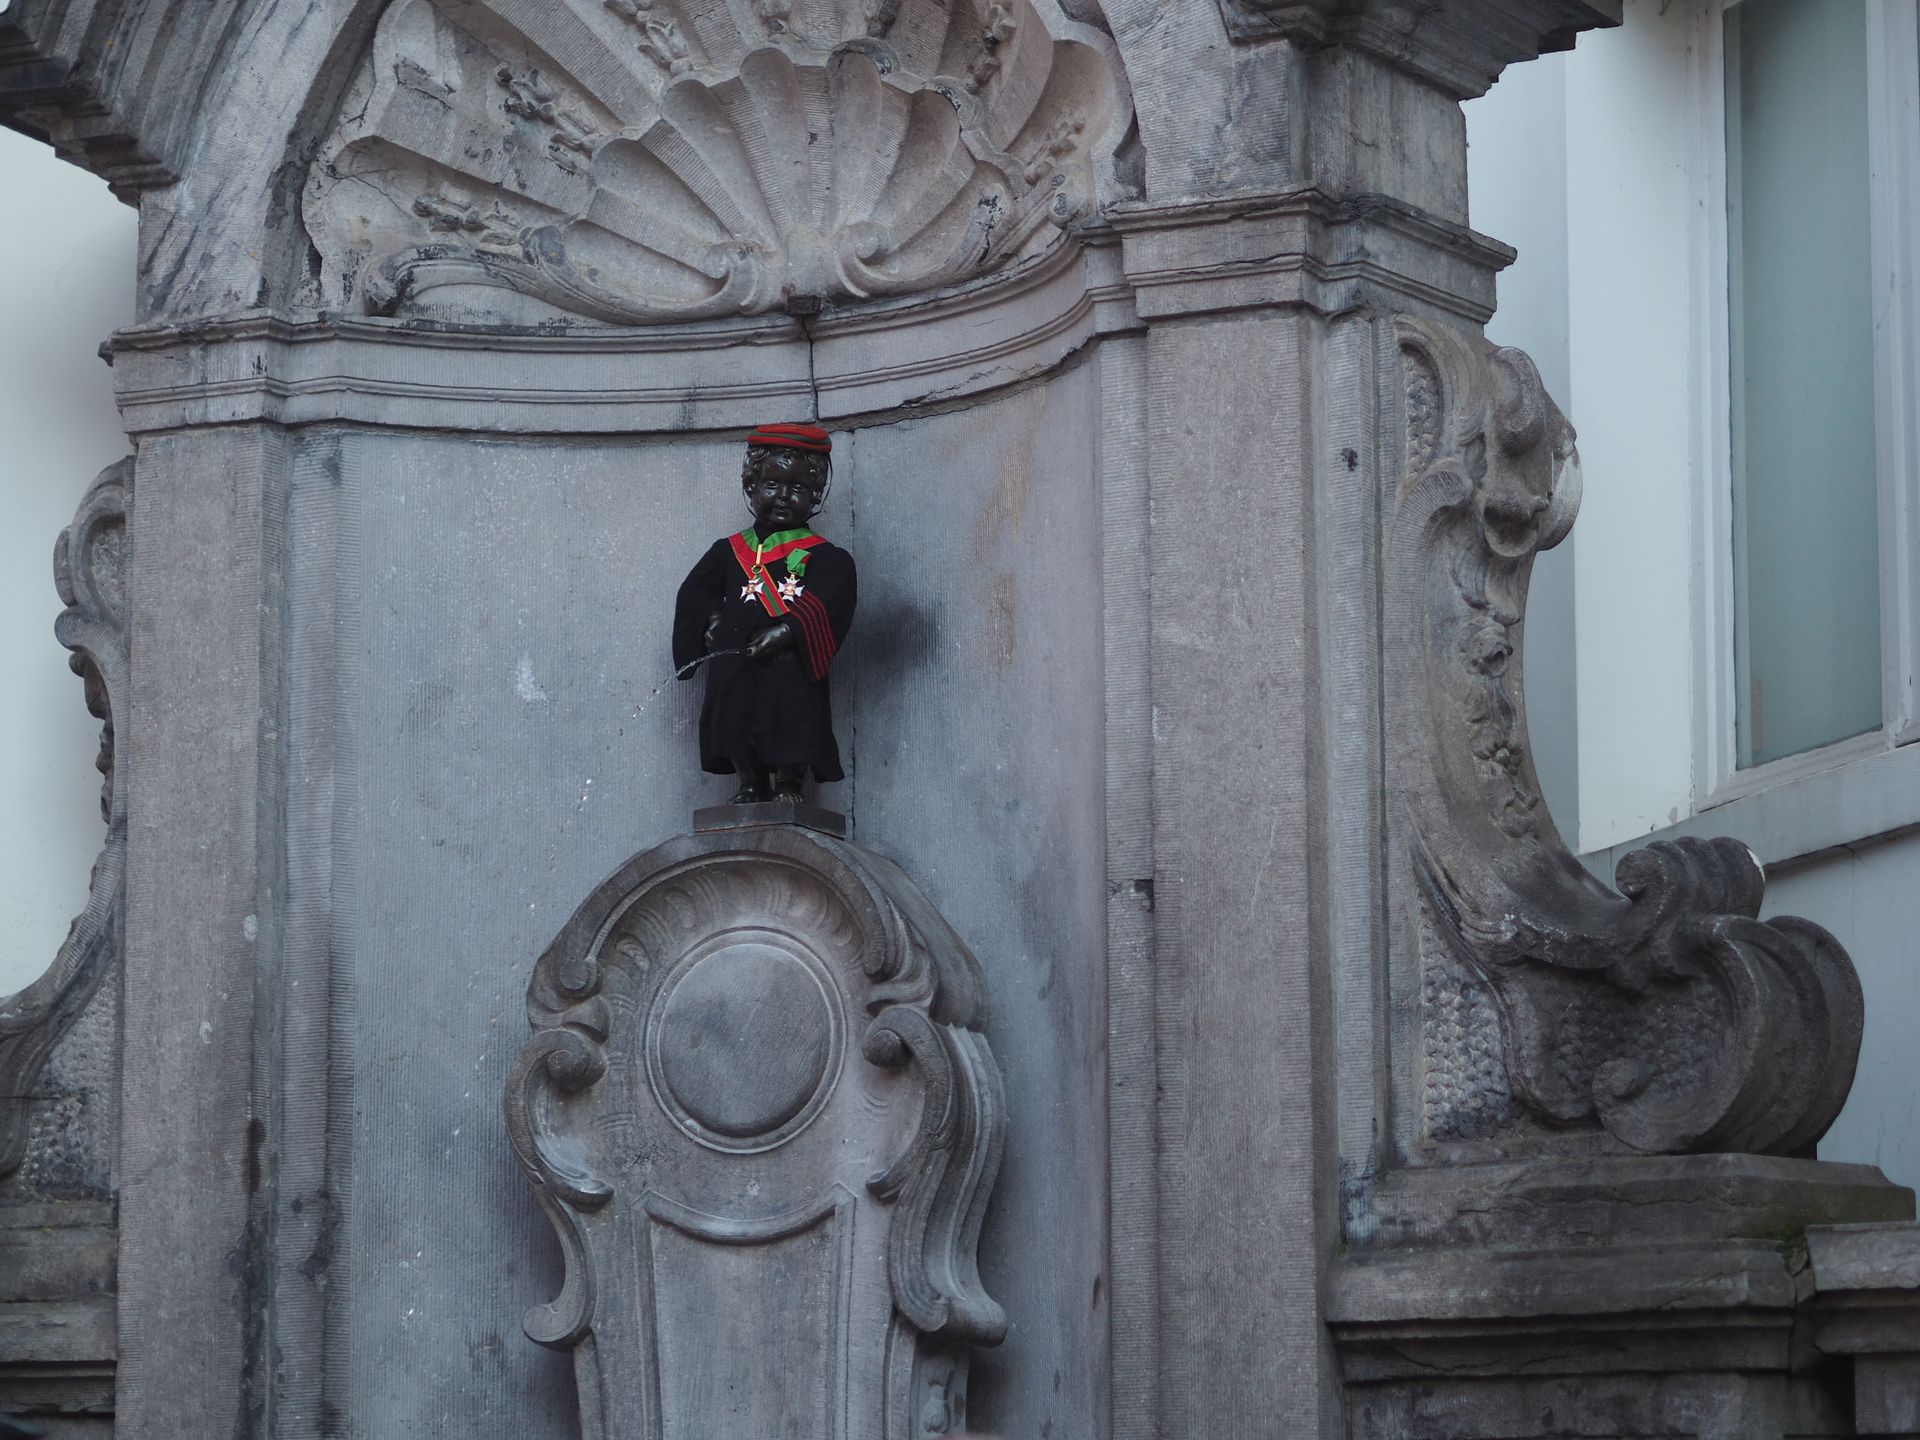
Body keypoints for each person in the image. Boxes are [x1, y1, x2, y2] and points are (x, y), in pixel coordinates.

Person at [672, 422, 857, 803]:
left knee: (791, 716)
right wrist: (710, 619)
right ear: (751, 485)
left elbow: (831, 599)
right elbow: (694, 593)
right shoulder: (728, 551)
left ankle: (789, 782)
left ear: (816, 493)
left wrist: (788, 631)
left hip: (788, 664)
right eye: (772, 484)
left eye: (798, 488)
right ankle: (750, 782)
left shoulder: (827, 557)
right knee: (733, 716)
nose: (783, 497)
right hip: (735, 661)